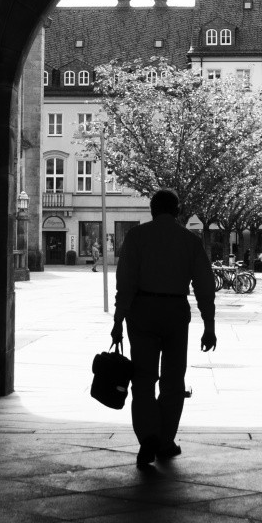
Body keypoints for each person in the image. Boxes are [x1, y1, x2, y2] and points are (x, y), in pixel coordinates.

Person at [110, 188, 217, 466]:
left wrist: (118, 319)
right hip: (174, 311)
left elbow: (126, 282)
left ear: (152, 210)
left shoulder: (136, 237)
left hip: (142, 311)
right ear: (178, 211)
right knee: (173, 380)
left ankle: (147, 437)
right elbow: (204, 285)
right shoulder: (189, 240)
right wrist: (209, 323)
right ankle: (165, 441)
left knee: (143, 380)